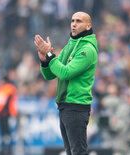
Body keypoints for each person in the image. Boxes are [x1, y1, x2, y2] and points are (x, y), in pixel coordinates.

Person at [34, 12, 98, 155]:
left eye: (79, 21)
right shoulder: (70, 45)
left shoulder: (87, 49)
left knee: (78, 152)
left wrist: (50, 55)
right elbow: (50, 74)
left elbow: (65, 73)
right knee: (70, 152)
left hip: (76, 106)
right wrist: (45, 59)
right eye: (72, 20)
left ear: (88, 26)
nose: (74, 24)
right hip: (65, 106)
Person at [0, 76, 17, 155]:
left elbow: (8, 100)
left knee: (8, 131)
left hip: (7, 113)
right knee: (2, 131)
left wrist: (4, 110)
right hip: (0, 113)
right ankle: (3, 148)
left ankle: (9, 148)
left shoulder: (9, 88)